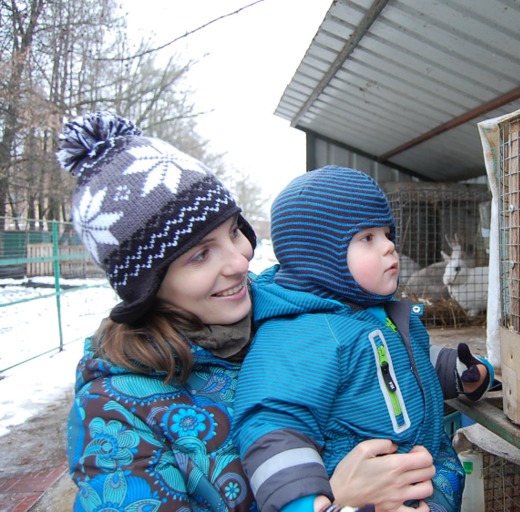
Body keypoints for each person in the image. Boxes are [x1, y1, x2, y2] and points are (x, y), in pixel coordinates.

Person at [59, 112, 440, 512]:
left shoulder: (299, 311)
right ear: (147, 286)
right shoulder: (114, 413)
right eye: (201, 254)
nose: (241, 261)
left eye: (234, 232)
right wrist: (341, 501)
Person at [234, 166, 495, 512]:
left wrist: (456, 371)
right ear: (320, 255)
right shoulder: (302, 334)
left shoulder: (375, 313)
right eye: (367, 238)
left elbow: (403, 361)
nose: (389, 247)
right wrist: (304, 504)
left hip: (419, 483)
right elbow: (274, 424)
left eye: (387, 233)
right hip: (372, 500)